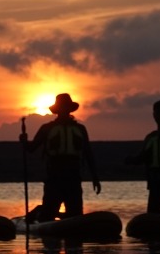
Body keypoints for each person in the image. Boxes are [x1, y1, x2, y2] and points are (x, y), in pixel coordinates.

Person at [21, 92, 101, 221]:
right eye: (62, 107)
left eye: (66, 107)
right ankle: (40, 212)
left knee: (75, 215)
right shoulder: (46, 128)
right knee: (47, 216)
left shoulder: (80, 129)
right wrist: (24, 141)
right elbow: (31, 149)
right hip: (54, 178)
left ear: (69, 109)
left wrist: (95, 178)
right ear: (57, 110)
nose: (64, 110)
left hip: (73, 178)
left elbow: (88, 153)